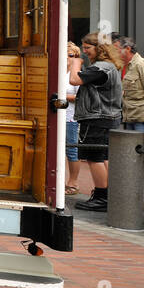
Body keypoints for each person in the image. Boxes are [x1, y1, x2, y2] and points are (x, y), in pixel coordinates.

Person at [71, 32, 123, 212]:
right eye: (83, 48)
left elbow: (74, 79)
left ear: (99, 48)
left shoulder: (99, 68)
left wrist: (75, 63)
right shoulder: (110, 66)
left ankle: (102, 197)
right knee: (104, 157)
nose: (85, 52)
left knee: (95, 158)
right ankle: (108, 195)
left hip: (96, 118)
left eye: (88, 48)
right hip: (108, 117)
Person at [117, 37, 144, 176]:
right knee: (135, 156)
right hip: (130, 117)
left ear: (127, 49)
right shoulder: (124, 66)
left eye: (118, 49)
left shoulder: (142, 65)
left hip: (143, 118)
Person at [64, 42, 82, 195]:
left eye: (72, 55)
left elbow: (81, 97)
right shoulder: (58, 71)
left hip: (71, 118)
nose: (68, 58)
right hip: (56, 115)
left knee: (72, 151)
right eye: (66, 54)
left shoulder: (76, 74)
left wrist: (64, 97)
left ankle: (74, 182)